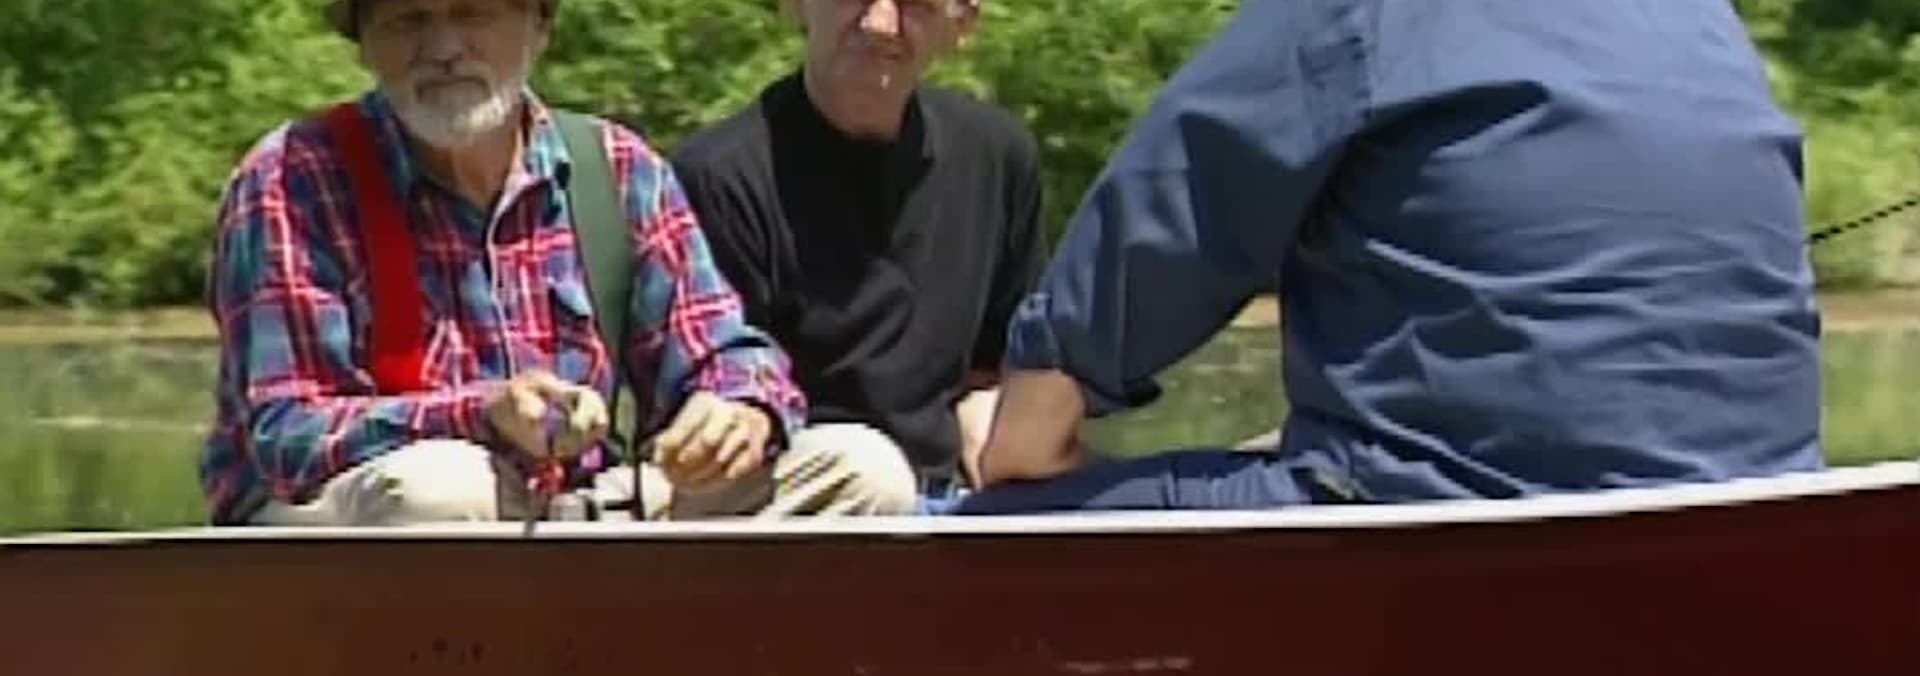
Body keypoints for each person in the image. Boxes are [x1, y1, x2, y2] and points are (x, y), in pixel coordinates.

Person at [958, 0, 1826, 514]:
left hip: (1441, 522)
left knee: (997, 520)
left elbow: (1177, 199)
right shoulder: (1706, 22)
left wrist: (1026, 430)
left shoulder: (1362, 15)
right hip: (1759, 514)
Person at [198, 0, 917, 527]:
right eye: (408, 21)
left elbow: (723, 350)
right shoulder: (293, 177)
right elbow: (286, 439)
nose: (443, 48)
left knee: (863, 470)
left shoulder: (617, 169)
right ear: (365, 44)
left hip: (577, 513)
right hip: (352, 526)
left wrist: (739, 410)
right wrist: (484, 413)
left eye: (473, 13)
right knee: (443, 490)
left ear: (539, 25)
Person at [669, 0, 1047, 513]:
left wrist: (1008, 486)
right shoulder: (716, 178)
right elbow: (717, 406)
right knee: (870, 472)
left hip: (948, 505)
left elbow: (991, 376)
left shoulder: (997, 159)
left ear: (962, 22)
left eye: (915, 4)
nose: (880, 24)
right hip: (800, 505)